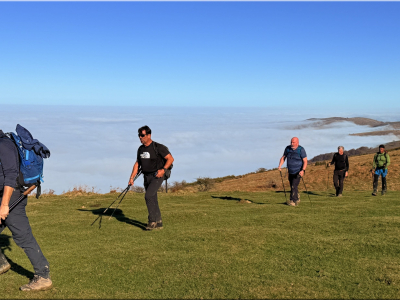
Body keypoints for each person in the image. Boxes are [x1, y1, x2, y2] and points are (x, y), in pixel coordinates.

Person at [0, 129, 52, 291]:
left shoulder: (4, 145)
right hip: (5, 195)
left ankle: (43, 276)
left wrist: (4, 205)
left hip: (13, 195)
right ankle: (1, 263)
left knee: (23, 236)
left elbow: (10, 176)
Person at [129, 126, 174, 230]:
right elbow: (137, 164)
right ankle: (159, 222)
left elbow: (170, 159)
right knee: (153, 198)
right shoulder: (140, 149)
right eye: (139, 135)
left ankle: (152, 221)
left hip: (157, 176)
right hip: (146, 176)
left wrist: (163, 170)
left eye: (143, 135)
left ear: (149, 135)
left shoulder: (158, 147)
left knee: (148, 196)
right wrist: (131, 178)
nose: (140, 137)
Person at [278, 137, 307, 206]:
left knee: (294, 185)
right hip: (290, 171)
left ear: (297, 143)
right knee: (292, 186)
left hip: (298, 171)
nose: (292, 144)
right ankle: (296, 197)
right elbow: (283, 157)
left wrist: (303, 170)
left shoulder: (301, 150)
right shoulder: (287, 148)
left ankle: (292, 201)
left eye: (293, 142)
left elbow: (305, 161)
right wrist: (280, 165)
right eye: (291, 142)